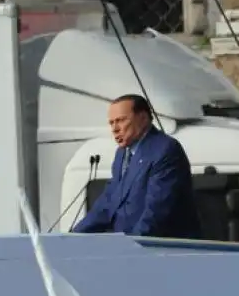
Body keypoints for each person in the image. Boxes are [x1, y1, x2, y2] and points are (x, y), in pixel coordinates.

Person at [72, 94, 201, 239]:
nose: (115, 129)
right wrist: (72, 237)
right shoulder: (121, 154)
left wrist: (128, 247)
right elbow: (107, 203)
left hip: (159, 251)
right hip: (128, 247)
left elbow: (155, 214)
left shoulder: (165, 150)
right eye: (111, 123)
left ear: (143, 118)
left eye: (120, 120)